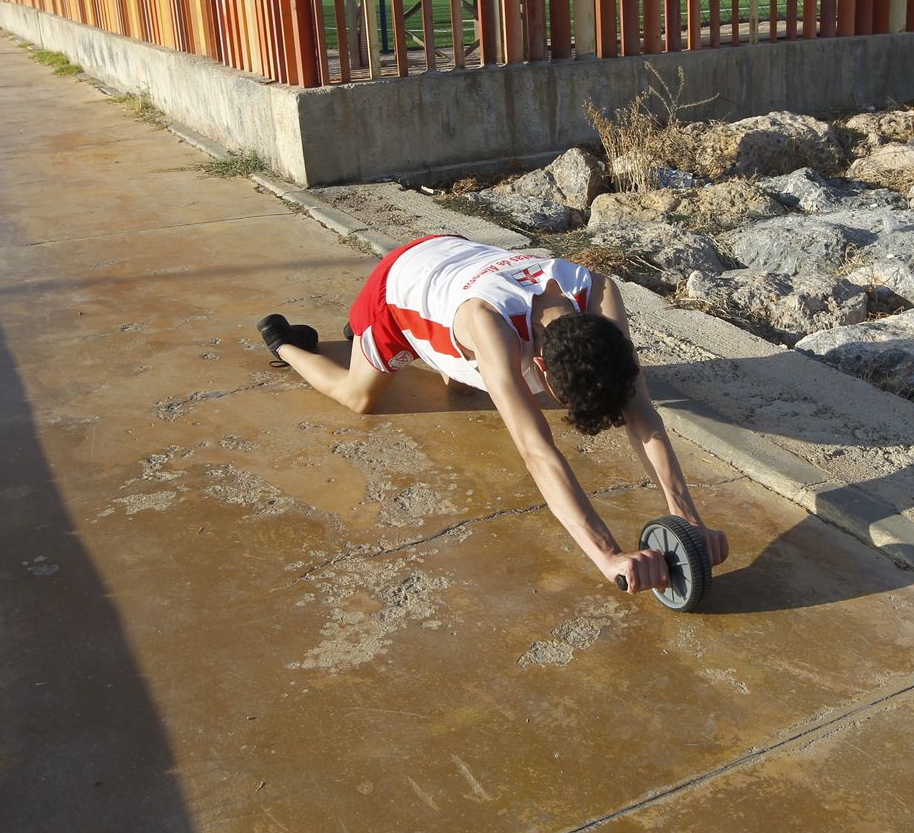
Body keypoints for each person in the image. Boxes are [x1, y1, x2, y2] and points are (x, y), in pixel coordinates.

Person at [260, 233, 729, 595]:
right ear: (540, 363)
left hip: (457, 258)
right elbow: (537, 451)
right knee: (359, 396)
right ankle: (287, 343)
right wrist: (607, 556)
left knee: (470, 385)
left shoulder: (600, 291)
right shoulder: (489, 324)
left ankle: (413, 353)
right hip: (399, 280)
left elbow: (641, 410)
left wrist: (688, 519)